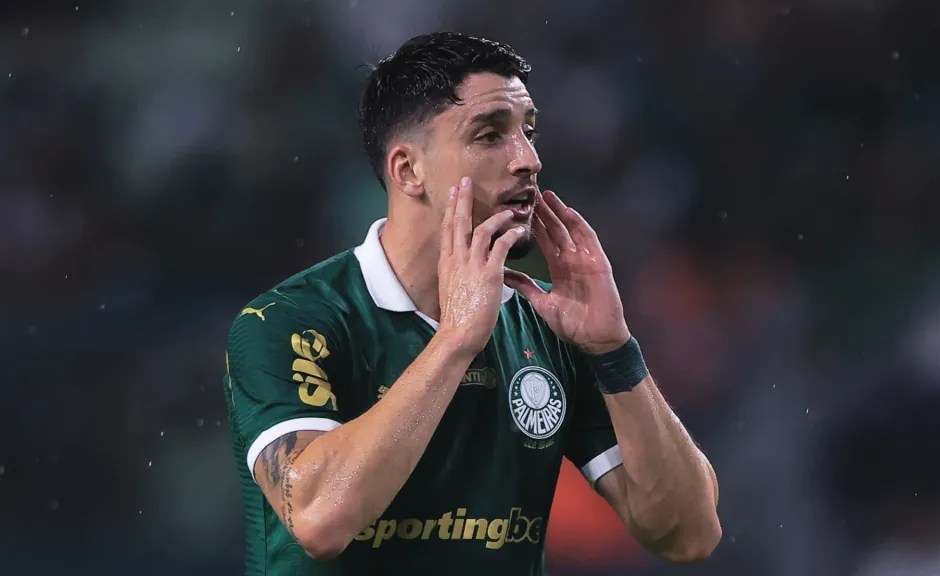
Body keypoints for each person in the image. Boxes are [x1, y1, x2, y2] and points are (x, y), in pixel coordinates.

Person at [222, 31, 721, 575]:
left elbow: (688, 534)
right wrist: (455, 340)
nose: (528, 159)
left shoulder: (549, 327)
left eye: (528, 132)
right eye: (490, 136)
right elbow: (321, 518)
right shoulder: (287, 321)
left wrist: (615, 351)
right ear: (408, 171)